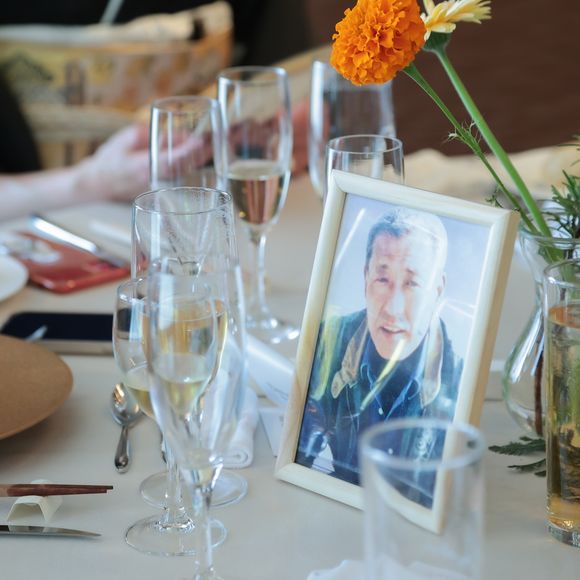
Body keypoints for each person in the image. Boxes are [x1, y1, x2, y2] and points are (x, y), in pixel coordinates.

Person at [296, 208, 463, 490]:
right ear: (365, 278)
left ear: (437, 290)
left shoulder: (459, 383)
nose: (393, 308)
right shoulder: (329, 342)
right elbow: (299, 458)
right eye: (383, 280)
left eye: (412, 283)